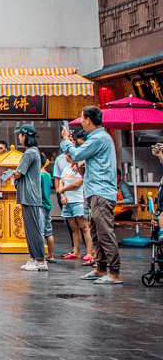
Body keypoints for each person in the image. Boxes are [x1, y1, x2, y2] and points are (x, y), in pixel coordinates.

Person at [61, 106, 121, 284]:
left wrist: (66, 141)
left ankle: (115, 272)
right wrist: (81, 167)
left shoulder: (99, 138)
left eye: (81, 118)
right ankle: (101, 268)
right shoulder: (100, 138)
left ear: (88, 119)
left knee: (105, 232)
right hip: (95, 190)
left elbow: (78, 153)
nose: (80, 122)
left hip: (101, 192)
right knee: (96, 232)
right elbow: (92, 163)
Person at [10, 124, 47, 272]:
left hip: (30, 195)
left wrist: (11, 173)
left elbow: (19, 172)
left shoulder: (30, 153)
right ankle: (34, 258)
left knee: (33, 229)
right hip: (29, 195)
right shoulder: (33, 152)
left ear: (25, 136)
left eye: (20, 134)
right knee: (30, 229)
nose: (19, 137)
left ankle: (40, 259)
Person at [59, 154, 92, 260]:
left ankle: (89, 252)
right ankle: (76, 251)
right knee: (74, 228)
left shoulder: (80, 169)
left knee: (84, 227)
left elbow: (77, 183)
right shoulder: (65, 169)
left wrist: (63, 189)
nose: (66, 157)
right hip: (67, 201)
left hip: (78, 200)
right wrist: (62, 195)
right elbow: (61, 181)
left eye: (68, 155)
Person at [40, 156, 56, 263]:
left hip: (39, 205)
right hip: (47, 204)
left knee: (40, 232)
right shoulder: (48, 176)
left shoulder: (38, 176)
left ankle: (40, 256)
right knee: (48, 232)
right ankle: (50, 255)